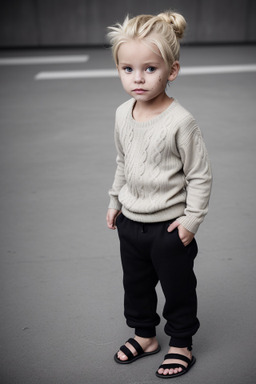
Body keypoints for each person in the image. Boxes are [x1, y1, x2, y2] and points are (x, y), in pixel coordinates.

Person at [106, 10, 212, 379]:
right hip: (131, 224)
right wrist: (115, 200)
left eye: (150, 69)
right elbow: (123, 160)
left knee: (178, 287)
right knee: (135, 285)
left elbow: (200, 176)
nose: (138, 78)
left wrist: (191, 222)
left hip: (169, 227)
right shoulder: (123, 113)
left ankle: (181, 343)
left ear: (172, 70)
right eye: (127, 69)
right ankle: (145, 336)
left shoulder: (181, 122)